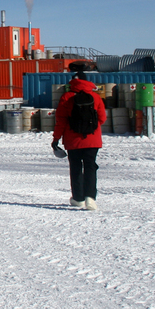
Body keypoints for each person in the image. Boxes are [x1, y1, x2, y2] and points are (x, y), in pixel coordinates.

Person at [52, 72, 107, 210]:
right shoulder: (95, 97)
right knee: (90, 166)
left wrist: (56, 139)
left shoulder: (66, 97)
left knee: (76, 168)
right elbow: (102, 118)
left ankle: (78, 198)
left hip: (73, 140)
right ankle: (90, 198)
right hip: (92, 140)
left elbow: (61, 121)